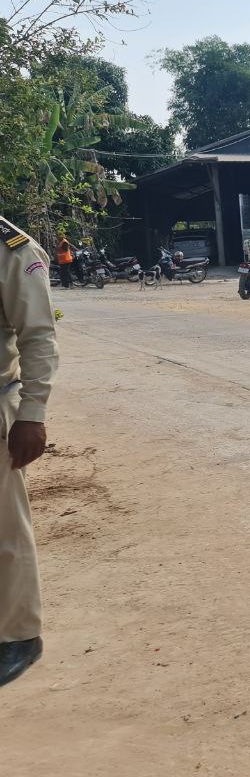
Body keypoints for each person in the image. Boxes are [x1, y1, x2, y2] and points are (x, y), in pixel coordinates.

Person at [0, 215, 58, 687]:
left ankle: (19, 635)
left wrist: (32, 413)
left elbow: (37, 334)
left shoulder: (11, 249)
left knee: (5, 530)